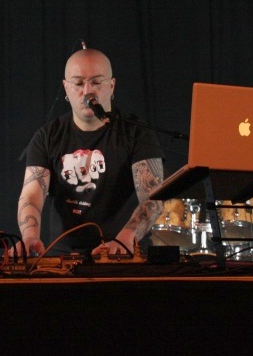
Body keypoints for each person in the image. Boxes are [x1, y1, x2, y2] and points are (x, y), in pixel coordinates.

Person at [15, 47, 164, 256]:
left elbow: (153, 199)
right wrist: (30, 236)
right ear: (66, 88)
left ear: (111, 86)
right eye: (78, 83)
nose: (87, 91)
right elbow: (32, 195)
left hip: (123, 255)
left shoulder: (138, 134)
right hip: (63, 258)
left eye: (96, 82)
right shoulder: (47, 137)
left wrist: (126, 237)